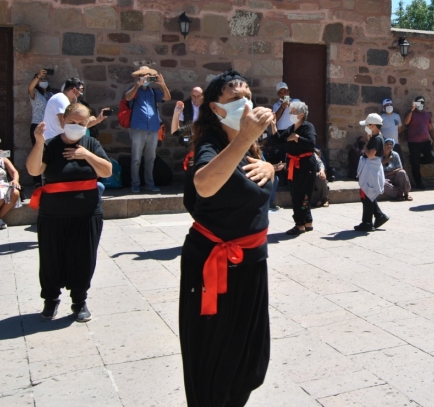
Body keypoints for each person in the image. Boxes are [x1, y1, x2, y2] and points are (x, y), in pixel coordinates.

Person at [180, 70, 275, 407]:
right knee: (213, 359)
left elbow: (253, 187)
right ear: (216, 109)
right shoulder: (212, 143)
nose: (245, 103)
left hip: (251, 263)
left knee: (249, 357)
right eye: (234, 99)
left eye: (248, 95)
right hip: (213, 266)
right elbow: (204, 184)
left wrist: (271, 168)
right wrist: (243, 138)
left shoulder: (254, 142)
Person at [26, 102, 113, 322]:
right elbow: (34, 169)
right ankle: (50, 299)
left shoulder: (91, 143)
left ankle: (79, 300)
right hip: (53, 213)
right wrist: (38, 143)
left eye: (81, 123)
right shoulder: (52, 145)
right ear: (63, 121)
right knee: (51, 258)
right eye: (72, 122)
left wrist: (87, 155)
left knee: (83, 257)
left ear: (88, 124)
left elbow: (107, 171)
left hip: (86, 212)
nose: (76, 126)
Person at [273, 101, 318, 236]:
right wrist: (273, 124)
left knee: (302, 194)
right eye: (291, 112)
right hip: (293, 164)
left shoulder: (308, 127)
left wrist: (298, 138)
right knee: (296, 193)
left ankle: (300, 224)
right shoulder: (291, 128)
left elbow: (311, 144)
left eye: (293, 112)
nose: (291, 114)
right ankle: (307, 221)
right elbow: (279, 140)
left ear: (302, 114)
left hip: (306, 165)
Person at [124, 66, 170, 194]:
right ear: (138, 77)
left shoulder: (153, 92)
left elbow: (167, 97)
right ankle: (135, 184)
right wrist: (137, 86)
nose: (145, 78)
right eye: (143, 76)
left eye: (148, 76)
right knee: (136, 158)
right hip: (138, 128)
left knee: (151, 158)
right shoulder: (133, 90)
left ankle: (149, 184)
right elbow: (127, 98)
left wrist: (162, 84)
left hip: (153, 128)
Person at [355, 113, 389, 231]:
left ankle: (367, 222)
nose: (367, 127)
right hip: (370, 169)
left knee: (367, 195)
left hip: (371, 169)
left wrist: (364, 146)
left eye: (368, 125)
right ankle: (379, 216)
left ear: (373, 126)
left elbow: (370, 155)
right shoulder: (376, 138)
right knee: (368, 194)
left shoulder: (377, 139)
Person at [403, 96, 434, 190]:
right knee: (415, 166)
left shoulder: (427, 115)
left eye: (422, 103)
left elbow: (430, 128)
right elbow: (406, 122)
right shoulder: (411, 113)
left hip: (425, 142)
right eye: (418, 103)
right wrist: (412, 110)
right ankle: (419, 183)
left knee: (432, 157)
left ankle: (415, 161)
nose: (420, 104)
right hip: (413, 142)